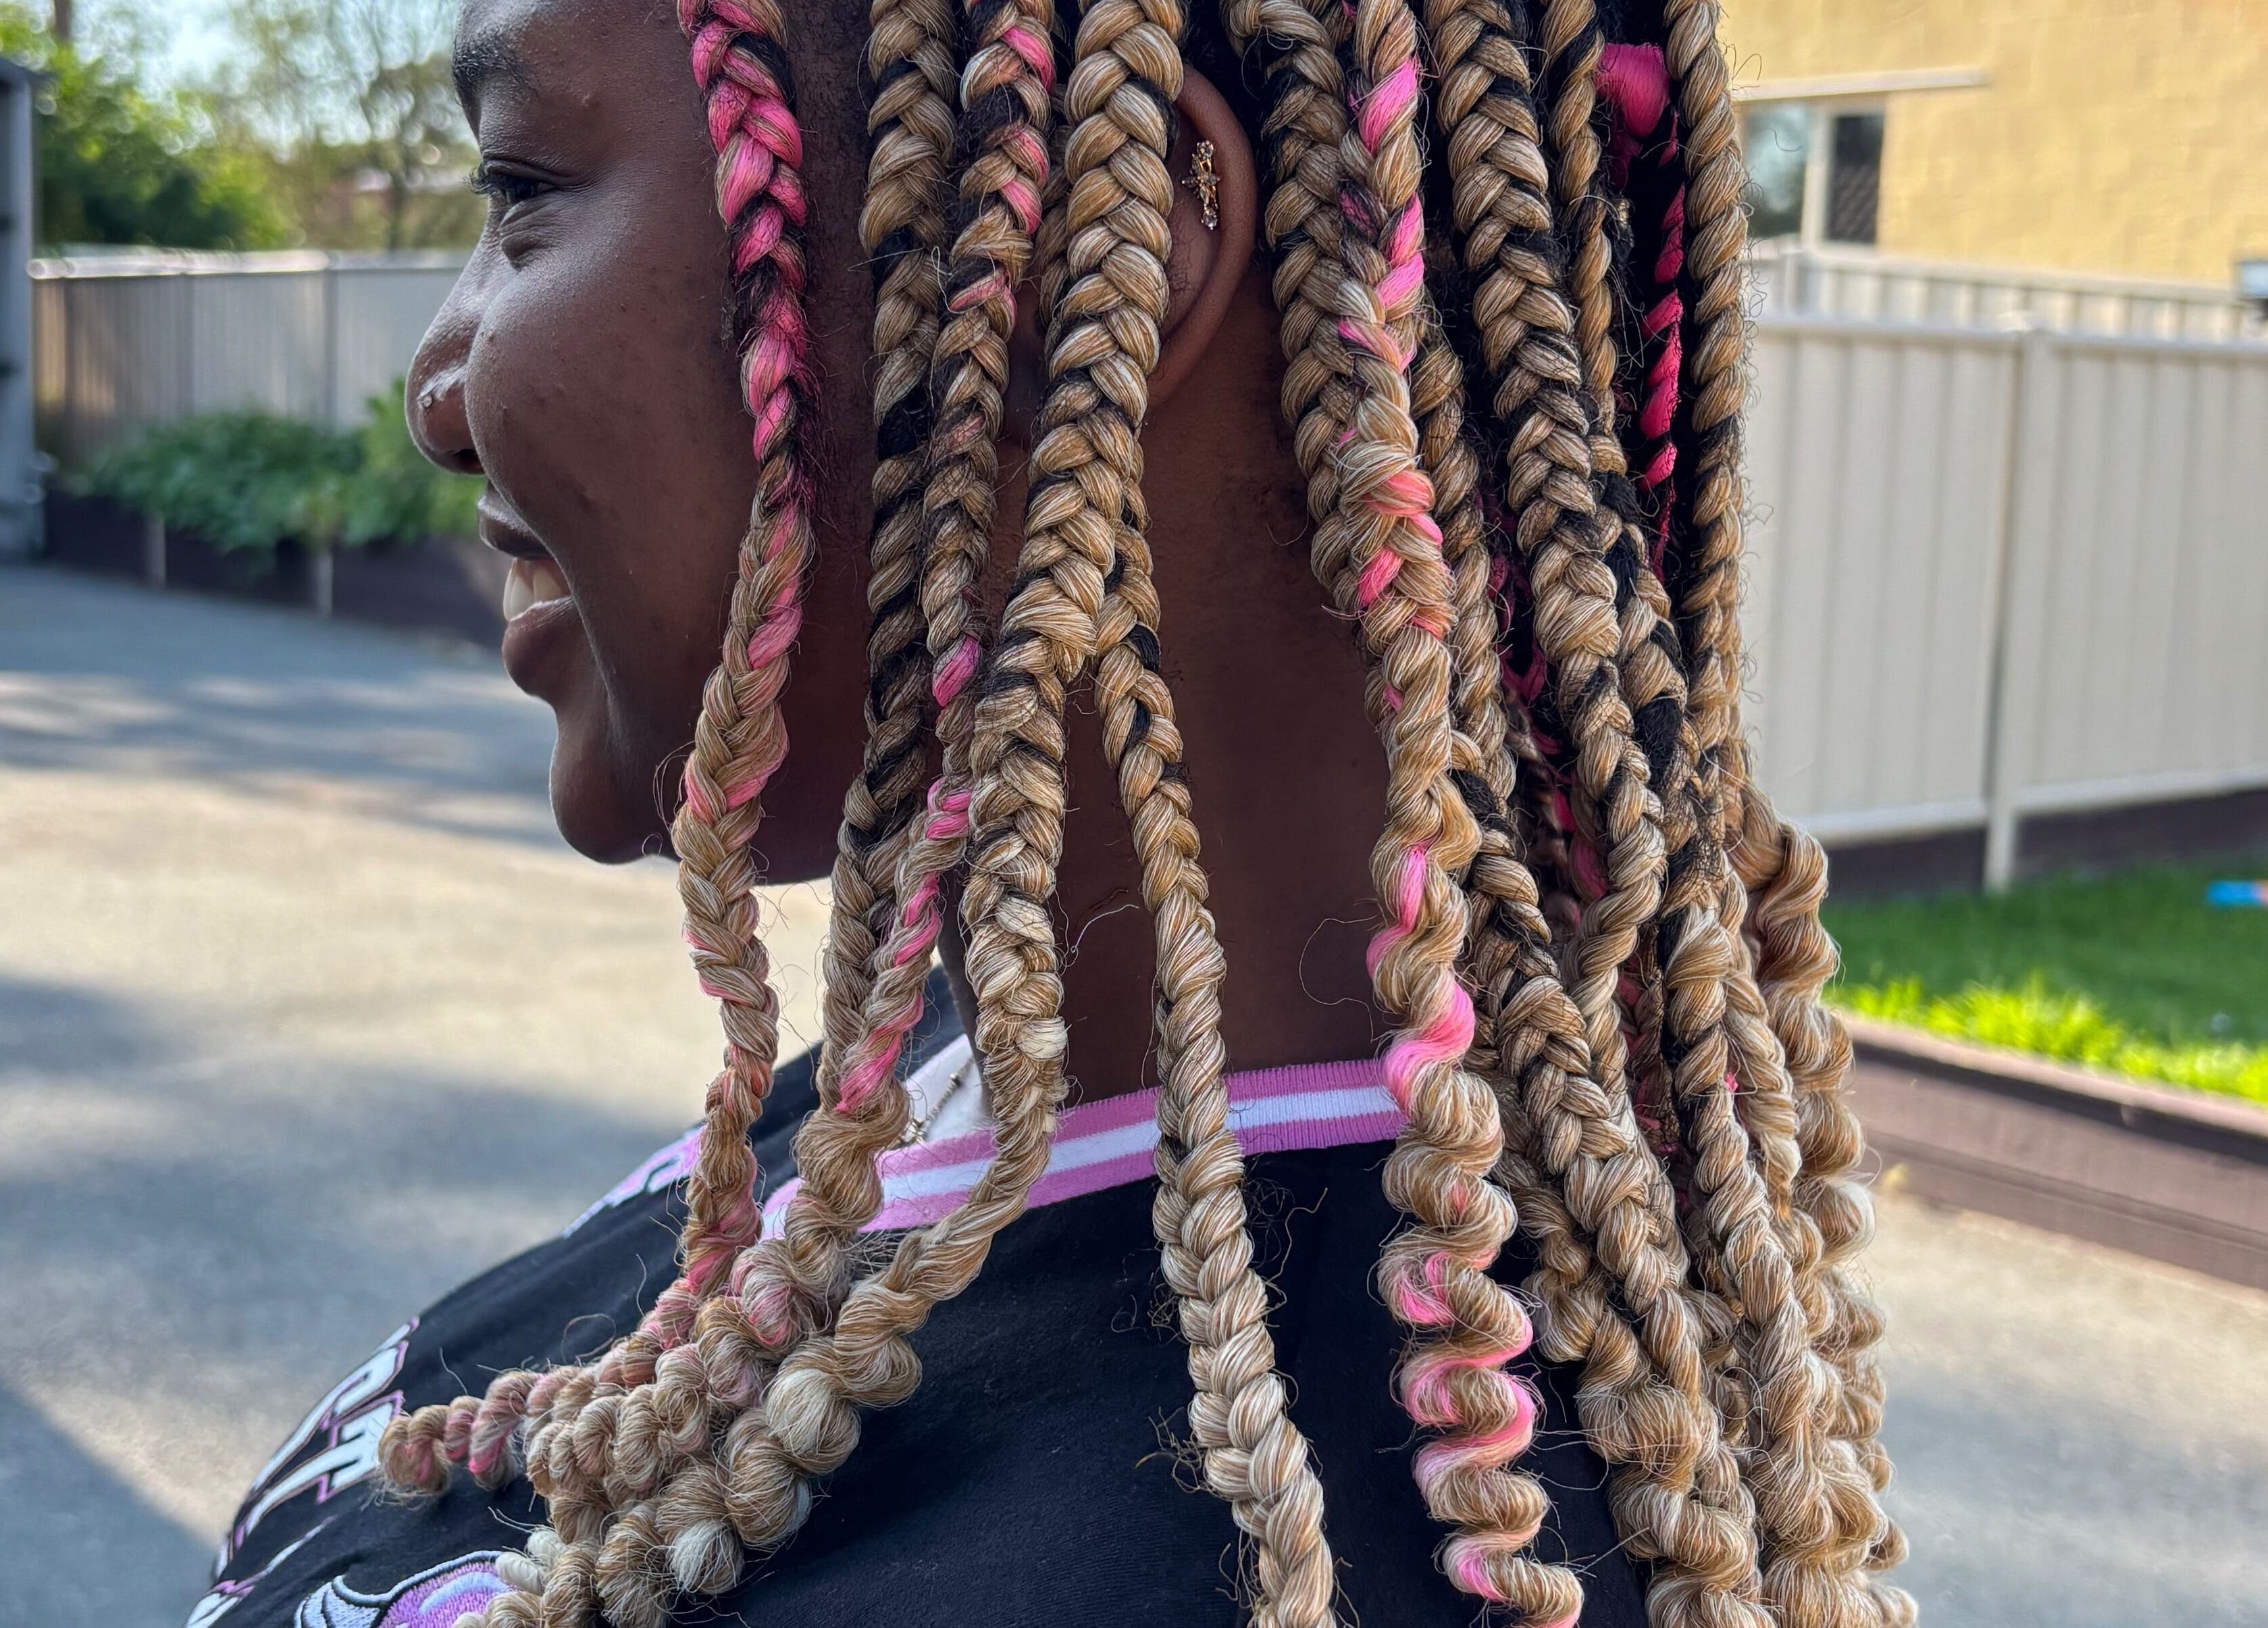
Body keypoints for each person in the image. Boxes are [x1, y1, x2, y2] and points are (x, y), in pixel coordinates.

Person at [189, 0, 1913, 1620]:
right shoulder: (961, 1086)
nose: (437, 381)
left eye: (520, 192)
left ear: (1089, 260)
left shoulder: (1320, 1527)